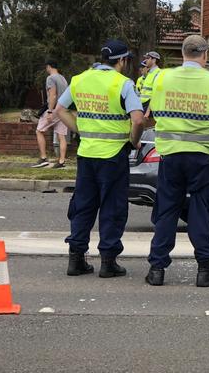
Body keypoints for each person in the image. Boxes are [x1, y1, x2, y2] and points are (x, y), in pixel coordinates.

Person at [145, 35, 209, 287]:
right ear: (204, 55)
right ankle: (205, 269)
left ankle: (156, 269)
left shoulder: (161, 77)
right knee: (201, 211)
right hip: (202, 157)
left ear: (183, 53)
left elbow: (151, 110)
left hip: (170, 154)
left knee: (166, 210)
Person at [54, 39, 144, 278]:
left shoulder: (79, 79)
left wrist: (80, 131)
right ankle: (108, 261)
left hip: (86, 154)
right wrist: (134, 140)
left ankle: (76, 259)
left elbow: (59, 110)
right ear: (122, 61)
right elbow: (137, 119)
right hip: (114, 154)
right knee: (112, 207)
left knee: (83, 205)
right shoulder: (124, 84)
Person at [32, 60, 69, 168]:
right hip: (63, 109)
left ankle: (43, 158)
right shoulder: (63, 78)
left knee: (39, 131)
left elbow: (52, 95)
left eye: (46, 67)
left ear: (49, 67)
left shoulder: (50, 78)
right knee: (61, 136)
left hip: (54, 109)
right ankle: (61, 161)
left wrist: (49, 111)